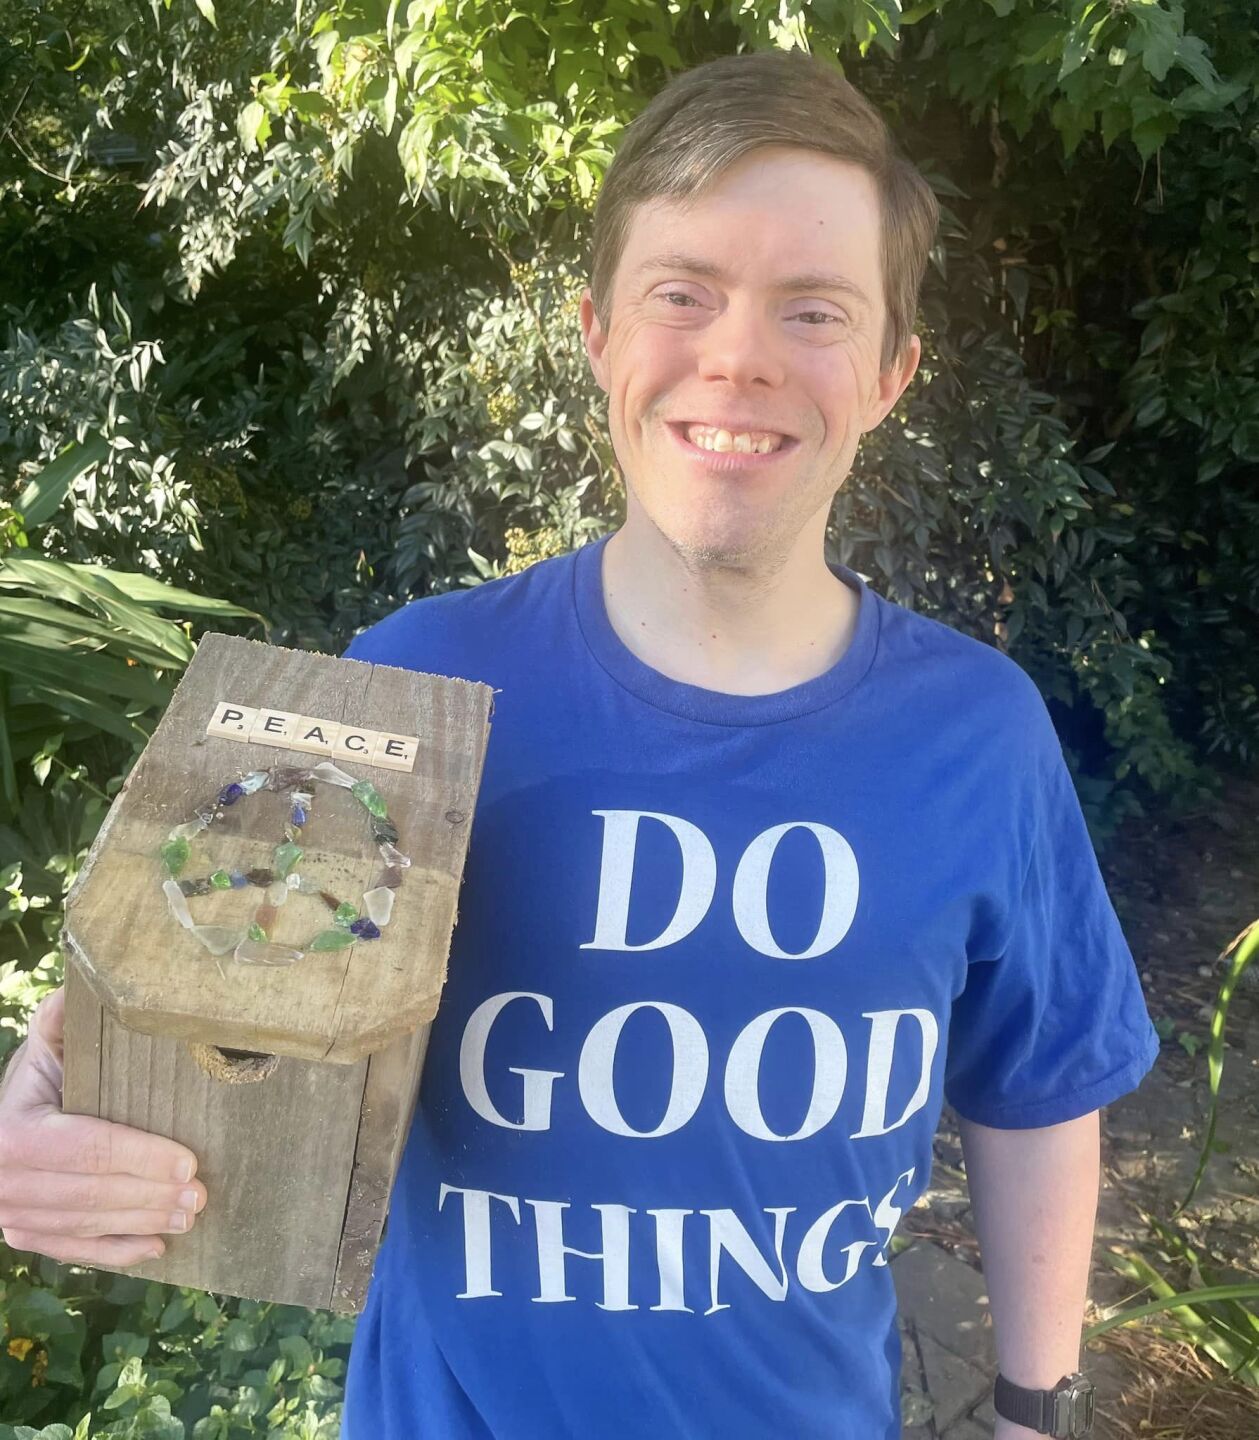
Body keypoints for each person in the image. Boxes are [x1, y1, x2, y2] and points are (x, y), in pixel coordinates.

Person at [0, 50, 1158, 1440]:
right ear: (598, 330)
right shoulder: (412, 683)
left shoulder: (980, 734)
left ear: (893, 372)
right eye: (685, 293)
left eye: (814, 310)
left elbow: (1037, 1088)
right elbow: (213, 963)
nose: (738, 356)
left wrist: (1036, 1408)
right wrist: (58, 1097)